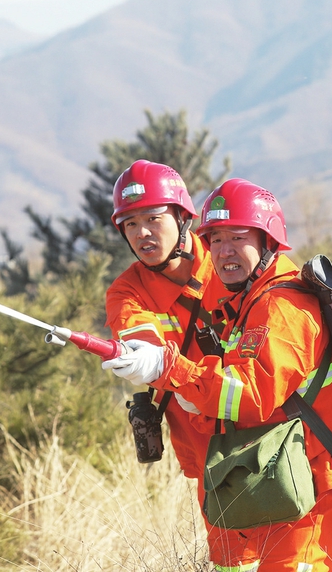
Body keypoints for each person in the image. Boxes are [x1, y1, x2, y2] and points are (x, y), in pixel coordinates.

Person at [103, 178, 332, 571]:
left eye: (236, 237)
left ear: (269, 240)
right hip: (254, 467)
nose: (223, 251)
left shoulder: (279, 304)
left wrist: (173, 370)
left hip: (307, 476)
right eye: (216, 240)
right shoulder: (244, 300)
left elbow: (250, 394)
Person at [102, 160, 233, 545]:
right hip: (205, 446)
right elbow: (143, 345)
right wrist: (142, 360)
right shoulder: (126, 292)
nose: (142, 233)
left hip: (273, 430)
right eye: (130, 224)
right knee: (229, 556)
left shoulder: (229, 259)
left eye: (153, 218)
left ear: (182, 217)